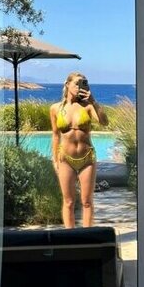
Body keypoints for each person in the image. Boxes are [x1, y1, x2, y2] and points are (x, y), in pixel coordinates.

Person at [50, 72, 108, 228]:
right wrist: (54, 160)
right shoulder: (55, 108)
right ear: (67, 84)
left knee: (87, 201)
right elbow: (55, 136)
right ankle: (70, 237)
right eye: (77, 83)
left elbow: (104, 122)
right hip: (65, 159)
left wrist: (93, 101)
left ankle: (87, 236)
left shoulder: (88, 106)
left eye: (83, 83)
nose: (79, 87)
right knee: (68, 202)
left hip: (87, 158)